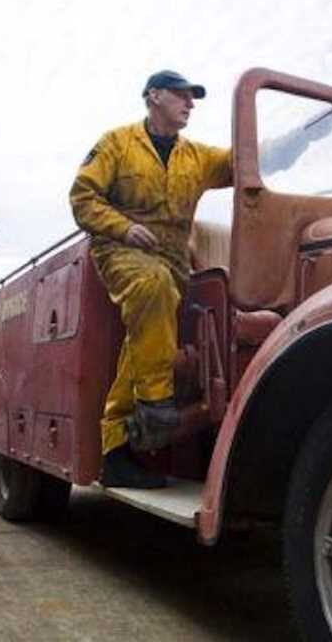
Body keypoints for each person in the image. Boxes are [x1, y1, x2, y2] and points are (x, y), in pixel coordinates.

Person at [70, 70, 232, 489]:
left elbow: (241, 161)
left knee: (144, 338)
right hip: (121, 249)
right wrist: (122, 228)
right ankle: (155, 404)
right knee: (153, 286)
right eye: (181, 95)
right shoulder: (117, 144)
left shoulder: (196, 156)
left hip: (172, 260)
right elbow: (82, 197)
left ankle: (116, 452)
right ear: (153, 96)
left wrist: (294, 142)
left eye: (192, 98)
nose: (190, 104)